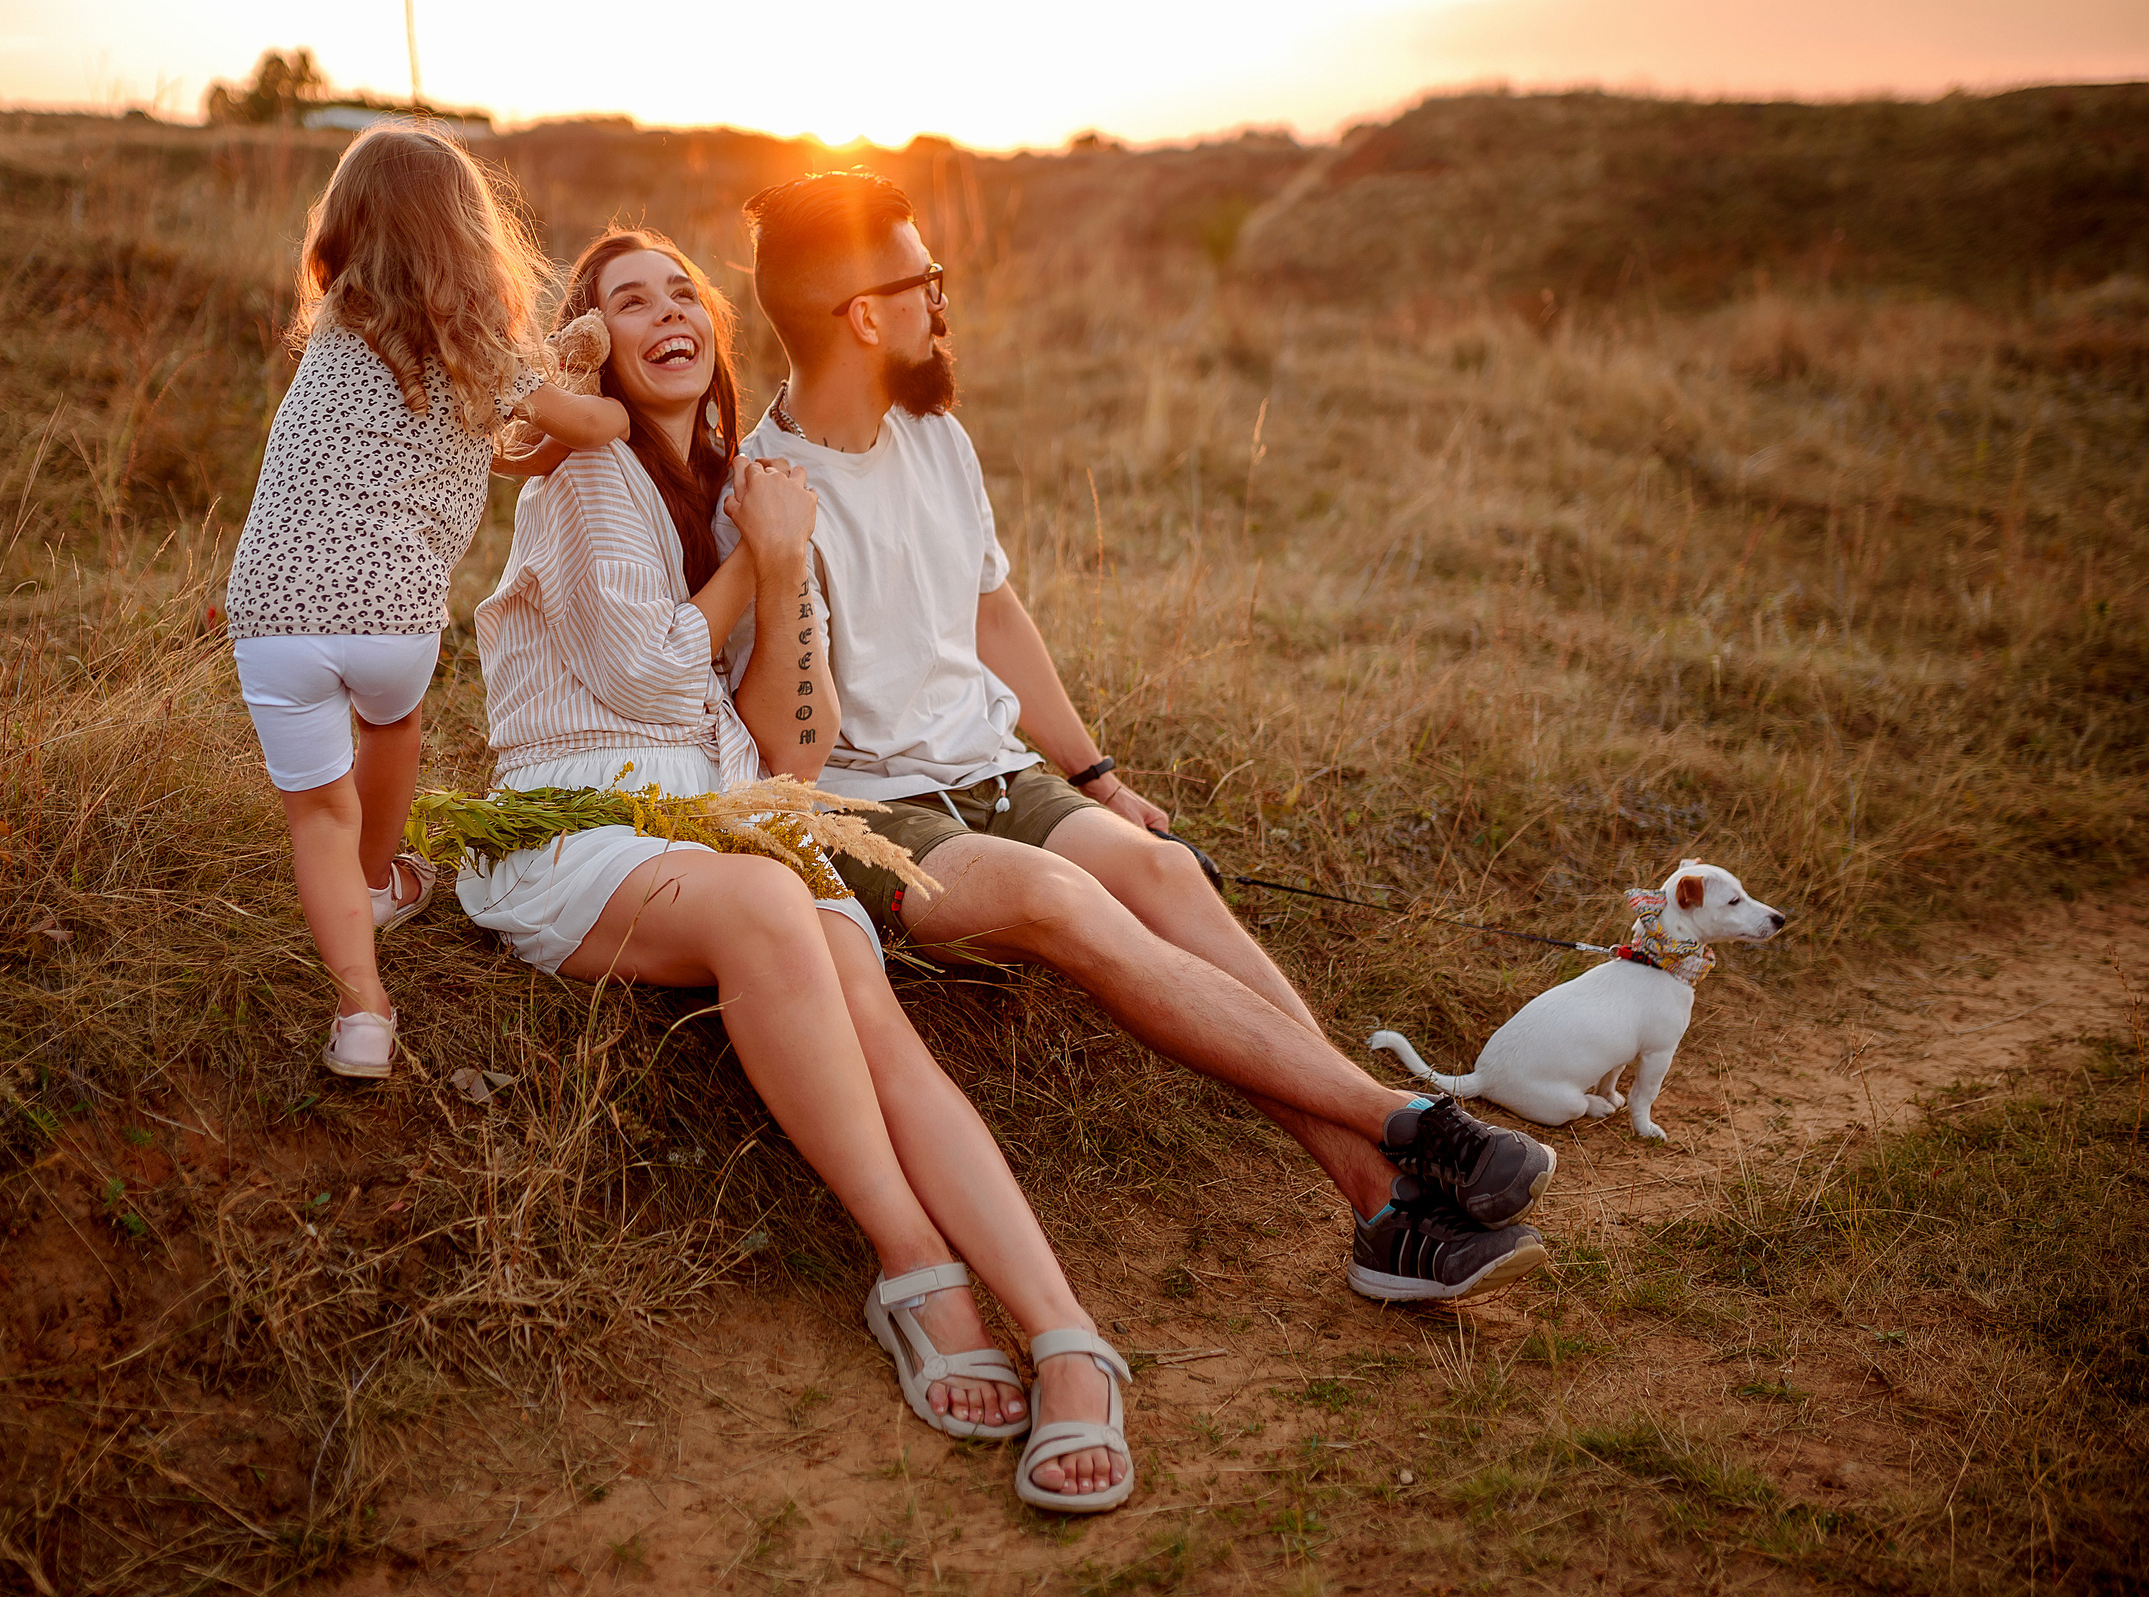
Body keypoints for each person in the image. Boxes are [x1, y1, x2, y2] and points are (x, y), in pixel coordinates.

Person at [722, 172, 1556, 1304]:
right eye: (922, 280)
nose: (941, 299)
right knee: (1068, 904)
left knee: (1159, 869)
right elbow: (790, 749)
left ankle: (1379, 1205)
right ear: (864, 314)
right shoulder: (773, 493)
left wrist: (1094, 774)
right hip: (874, 810)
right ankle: (1406, 1121)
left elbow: (991, 609)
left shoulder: (935, 435)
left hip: (995, 772)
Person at [457, 226, 1134, 1512]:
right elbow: (651, 673)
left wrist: (773, 557)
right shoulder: (585, 474)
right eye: (623, 301)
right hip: (584, 819)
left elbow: (797, 740)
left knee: (857, 985)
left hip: (721, 816)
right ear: (589, 346)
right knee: (780, 898)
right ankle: (911, 1260)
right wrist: (755, 566)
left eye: (680, 294)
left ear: (714, 329)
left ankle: (1062, 1327)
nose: (664, 312)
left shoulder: (745, 483)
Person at [223, 125, 628, 1081]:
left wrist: (547, 407)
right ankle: (379, 877)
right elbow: (582, 426)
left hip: (272, 610)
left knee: (315, 812)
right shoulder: (477, 341)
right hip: (391, 620)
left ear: (344, 233)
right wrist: (599, 389)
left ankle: (362, 1014)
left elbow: (504, 450)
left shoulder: (331, 333)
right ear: (468, 236)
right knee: (392, 725)